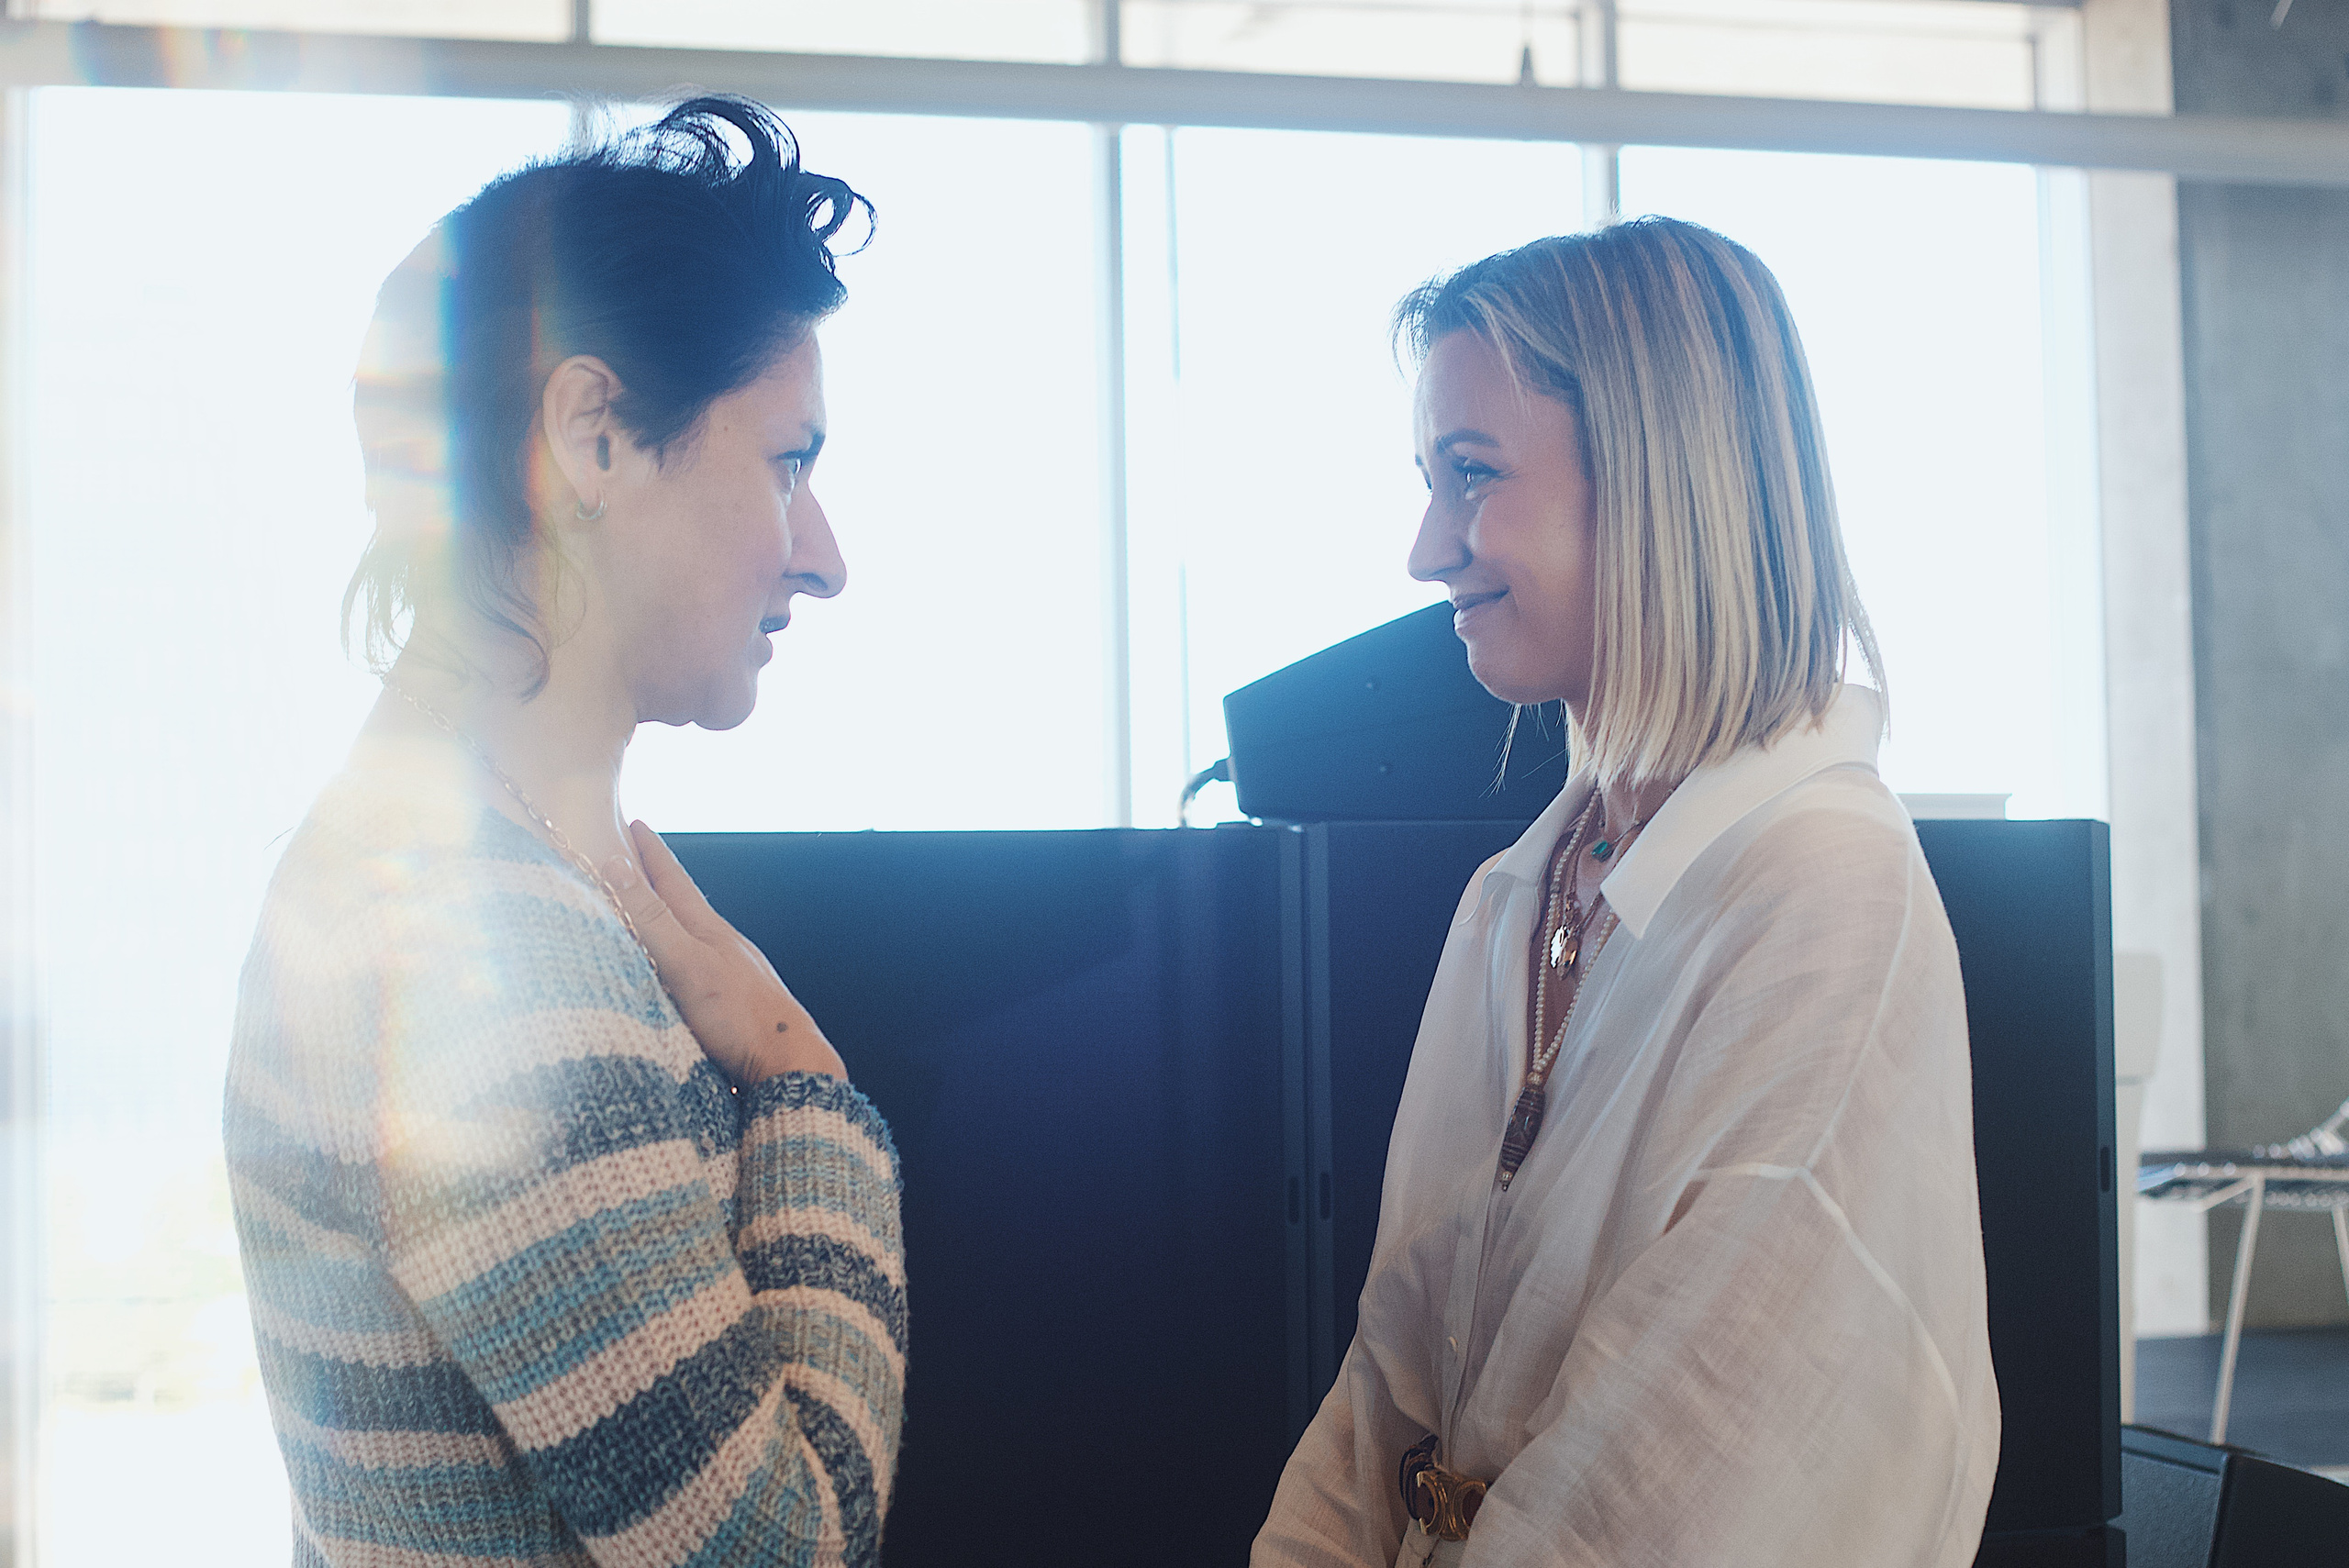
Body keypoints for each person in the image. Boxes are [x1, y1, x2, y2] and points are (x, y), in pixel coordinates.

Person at [1252, 217, 1998, 1567]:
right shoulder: (1520, 892)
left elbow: (1664, 1493)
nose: (1428, 549)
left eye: (1470, 476)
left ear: (1656, 486)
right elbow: (1386, 1400)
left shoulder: (1824, 899)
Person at [224, 98, 905, 1567]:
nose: (827, 553)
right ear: (595, 435)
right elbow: (779, 1552)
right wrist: (805, 1080)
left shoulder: (461, 876)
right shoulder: (479, 953)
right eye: (790, 459)